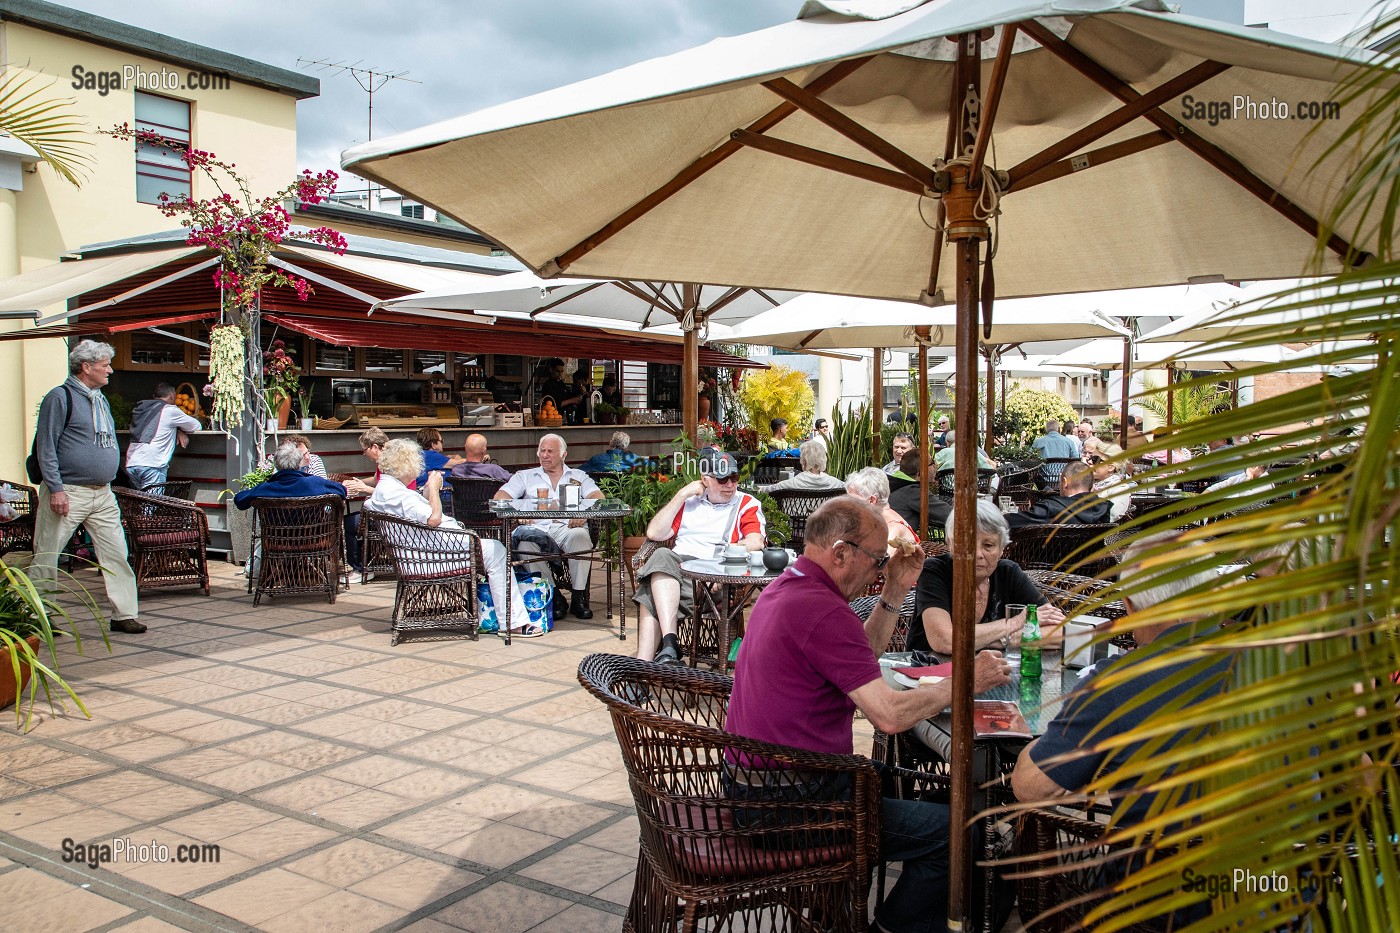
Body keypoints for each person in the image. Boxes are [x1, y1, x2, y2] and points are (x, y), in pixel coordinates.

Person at [725, 497, 1013, 933]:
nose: (879, 569)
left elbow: (862, 656)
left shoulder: (791, 584)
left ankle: (841, 906)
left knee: (940, 796)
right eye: (877, 560)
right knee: (957, 832)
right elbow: (890, 717)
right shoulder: (819, 609)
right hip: (787, 804)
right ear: (841, 553)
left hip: (767, 783)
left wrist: (895, 591)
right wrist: (966, 682)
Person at [1012, 531, 1230, 829]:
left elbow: (1030, 787)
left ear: (1129, 605)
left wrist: (1037, 740)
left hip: (1156, 869)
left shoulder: (1119, 682)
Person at [30, 340, 143, 634]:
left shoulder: (99, 398)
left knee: (117, 552)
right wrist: (55, 489)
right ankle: (37, 616)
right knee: (48, 553)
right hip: (68, 490)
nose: (110, 370)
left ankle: (124, 614)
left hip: (102, 493)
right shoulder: (60, 397)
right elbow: (46, 448)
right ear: (86, 367)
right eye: (105, 364)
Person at [370, 440, 537, 636]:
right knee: (497, 550)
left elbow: (418, 516)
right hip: (434, 558)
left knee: (492, 548)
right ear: (405, 465)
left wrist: (426, 495)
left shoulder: (386, 490)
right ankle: (512, 622)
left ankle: (502, 616)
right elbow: (433, 518)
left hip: (418, 554)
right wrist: (433, 488)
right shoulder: (398, 494)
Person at [633, 450, 765, 664]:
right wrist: (682, 494)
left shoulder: (746, 503)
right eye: (722, 479)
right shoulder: (689, 503)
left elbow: (755, 541)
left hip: (714, 579)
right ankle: (668, 646)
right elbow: (654, 534)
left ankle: (646, 666)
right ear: (705, 479)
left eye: (734, 477)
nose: (730, 485)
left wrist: (720, 565)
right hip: (678, 571)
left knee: (650, 590)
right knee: (662, 555)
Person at [912, 499, 1065, 654]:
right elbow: (945, 640)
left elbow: (1061, 633)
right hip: (930, 674)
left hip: (996, 674)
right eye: (968, 543)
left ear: (1001, 550)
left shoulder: (1008, 573)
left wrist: (1002, 640)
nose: (978, 554)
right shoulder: (934, 571)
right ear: (951, 544)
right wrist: (1016, 622)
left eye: (988, 545)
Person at [495, 433, 603, 619]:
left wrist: (584, 514)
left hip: (567, 528)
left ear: (563, 455)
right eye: (542, 451)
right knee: (525, 545)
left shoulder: (577, 476)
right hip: (538, 529)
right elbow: (500, 498)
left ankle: (579, 597)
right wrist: (519, 514)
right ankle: (554, 596)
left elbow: (598, 498)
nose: (544, 455)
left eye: (550, 451)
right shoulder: (525, 476)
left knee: (581, 537)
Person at [232, 441, 349, 582]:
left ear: (276, 465)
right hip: (314, 539)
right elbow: (342, 490)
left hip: (277, 542)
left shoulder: (266, 488)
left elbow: (239, 500)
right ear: (299, 463)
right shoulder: (315, 483)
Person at [343, 428, 403, 580]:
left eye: (364, 450)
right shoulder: (384, 461)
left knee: (347, 524)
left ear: (375, 447)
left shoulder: (392, 464)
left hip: (391, 516)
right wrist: (357, 482)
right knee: (353, 522)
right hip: (385, 512)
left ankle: (360, 569)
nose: (364, 454)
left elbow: (390, 494)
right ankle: (367, 562)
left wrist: (364, 489)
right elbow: (377, 480)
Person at [124, 382, 201, 490]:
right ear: (172, 396)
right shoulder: (170, 410)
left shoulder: (140, 410)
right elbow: (196, 426)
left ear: (154, 397)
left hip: (132, 464)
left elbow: (156, 426)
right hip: (152, 465)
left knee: (140, 503)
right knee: (153, 505)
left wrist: (176, 429)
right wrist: (178, 429)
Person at [1006, 461, 1111, 528]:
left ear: (1065, 482)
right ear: (1091, 485)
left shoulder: (1051, 508)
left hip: (1046, 561)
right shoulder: (1104, 508)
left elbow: (1010, 522)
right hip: (1093, 563)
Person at [845, 466, 917, 551]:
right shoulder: (876, 520)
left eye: (852, 500)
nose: (848, 504)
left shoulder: (892, 529)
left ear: (872, 500)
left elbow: (882, 563)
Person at [757, 440, 846, 493]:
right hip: (824, 524)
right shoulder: (836, 483)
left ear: (803, 461)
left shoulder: (792, 483)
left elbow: (766, 490)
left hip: (796, 523)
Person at [1086, 442, 1133, 521]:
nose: (1090, 462)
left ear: (1110, 467)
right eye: (1090, 458)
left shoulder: (1120, 489)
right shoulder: (1086, 483)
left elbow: (1111, 516)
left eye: (1095, 459)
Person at [932, 428, 997, 474]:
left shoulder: (943, 453)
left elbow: (932, 467)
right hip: (971, 490)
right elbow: (990, 469)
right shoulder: (973, 453)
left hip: (945, 490)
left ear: (947, 443)